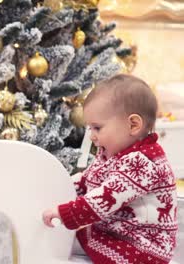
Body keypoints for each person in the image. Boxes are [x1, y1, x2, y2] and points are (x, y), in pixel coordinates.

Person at [42, 74, 178, 264]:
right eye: (90, 128)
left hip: (143, 245)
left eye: (97, 128)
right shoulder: (112, 153)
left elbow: (106, 197)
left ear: (133, 125)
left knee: (77, 236)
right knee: (71, 236)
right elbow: (88, 180)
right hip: (118, 230)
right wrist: (60, 186)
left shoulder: (143, 162)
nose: (92, 136)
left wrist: (65, 213)